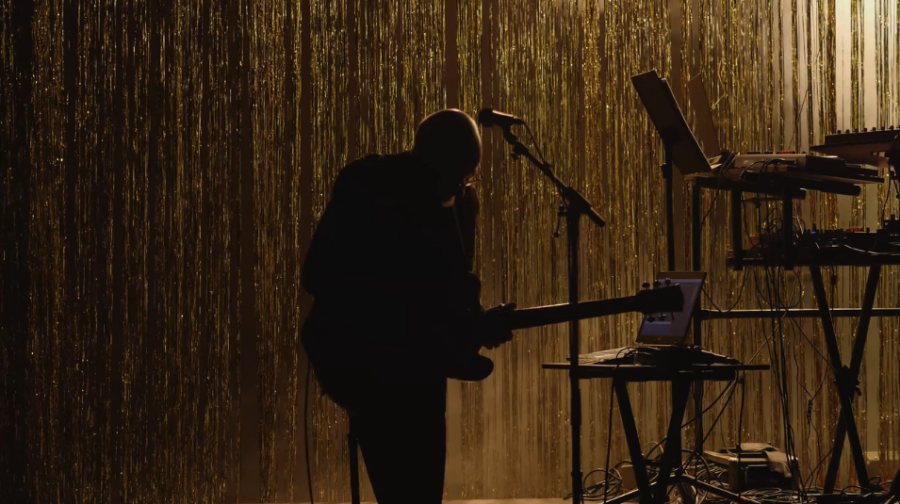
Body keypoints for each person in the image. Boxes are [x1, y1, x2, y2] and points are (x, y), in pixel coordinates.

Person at [301, 109, 514, 503]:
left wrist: (475, 324)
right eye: (456, 177)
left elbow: (454, 288)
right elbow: (320, 276)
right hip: (371, 366)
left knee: (420, 489)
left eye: (467, 178)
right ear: (427, 159)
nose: (460, 187)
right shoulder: (369, 187)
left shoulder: (460, 202)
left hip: (417, 368)